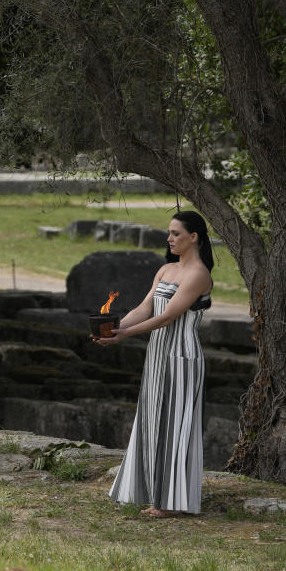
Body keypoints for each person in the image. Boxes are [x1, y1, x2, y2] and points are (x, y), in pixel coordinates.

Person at [97, 211, 213, 516]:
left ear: (194, 237)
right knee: (152, 420)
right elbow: (145, 308)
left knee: (176, 425)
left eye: (176, 233)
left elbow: (167, 316)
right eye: (169, 233)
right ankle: (152, 493)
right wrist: (113, 327)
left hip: (182, 357)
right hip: (158, 355)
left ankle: (171, 503)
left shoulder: (198, 274)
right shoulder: (165, 270)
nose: (170, 239)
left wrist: (124, 336)